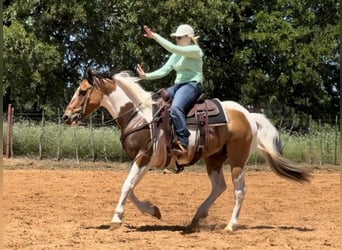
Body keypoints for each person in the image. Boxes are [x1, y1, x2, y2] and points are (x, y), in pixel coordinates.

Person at [137, 24, 203, 157]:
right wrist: (146, 76)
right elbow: (164, 70)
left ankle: (183, 142)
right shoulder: (176, 54)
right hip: (178, 85)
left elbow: (172, 48)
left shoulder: (195, 50)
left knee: (176, 108)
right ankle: (163, 138)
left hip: (192, 85)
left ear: (188, 38)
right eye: (176, 38)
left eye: (179, 38)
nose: (176, 40)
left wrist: (155, 36)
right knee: (158, 100)